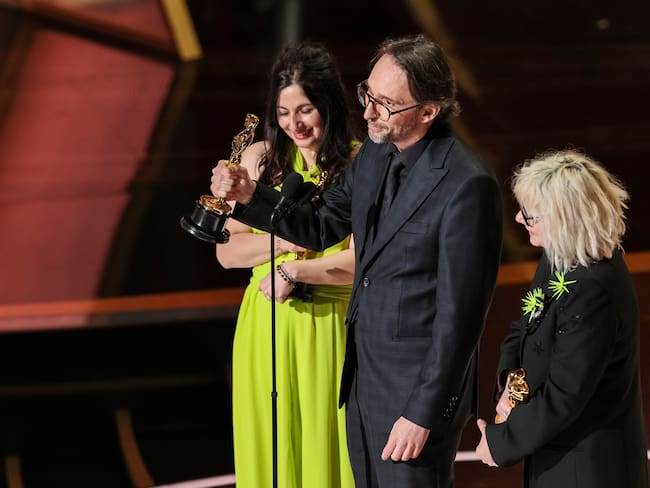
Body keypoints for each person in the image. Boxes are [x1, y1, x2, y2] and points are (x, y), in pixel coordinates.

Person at [211, 34, 503, 487]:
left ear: (428, 111)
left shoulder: (467, 184)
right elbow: (322, 223)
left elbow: (460, 318)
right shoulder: (376, 153)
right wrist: (251, 196)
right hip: (362, 387)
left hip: (411, 402)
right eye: (368, 93)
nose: (366, 112)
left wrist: (422, 414)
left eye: (385, 103)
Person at [215, 42, 357, 488]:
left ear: (329, 105)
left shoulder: (361, 163)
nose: (293, 124)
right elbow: (226, 251)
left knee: (329, 452)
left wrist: (292, 261)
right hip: (266, 323)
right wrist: (289, 247)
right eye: (282, 112)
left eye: (305, 110)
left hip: (333, 326)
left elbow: (365, 260)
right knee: (273, 450)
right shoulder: (259, 159)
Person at [475, 150, 649, 488]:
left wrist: (500, 442)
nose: (519, 220)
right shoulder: (559, 258)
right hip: (557, 454)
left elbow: (565, 394)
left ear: (564, 219)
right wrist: (510, 392)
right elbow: (525, 326)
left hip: (586, 470)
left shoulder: (593, 288)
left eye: (530, 215)